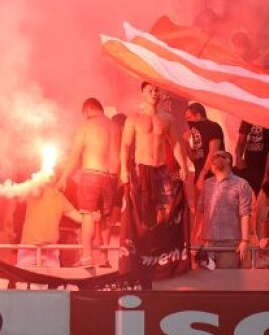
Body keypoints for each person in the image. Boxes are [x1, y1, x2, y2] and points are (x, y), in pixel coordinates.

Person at [60, 97, 120, 267]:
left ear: (89, 110)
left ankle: (86, 256)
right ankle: (104, 258)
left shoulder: (86, 127)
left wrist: (64, 176)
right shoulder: (115, 127)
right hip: (111, 178)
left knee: (87, 215)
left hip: (91, 175)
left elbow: (74, 155)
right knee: (106, 219)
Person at [120, 81, 190, 225]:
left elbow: (175, 143)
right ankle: (142, 242)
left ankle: (159, 241)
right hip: (141, 168)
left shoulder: (167, 118)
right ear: (143, 93)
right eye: (150, 91)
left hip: (161, 168)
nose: (154, 94)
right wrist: (123, 169)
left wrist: (183, 165)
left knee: (166, 207)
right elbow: (125, 145)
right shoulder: (134, 118)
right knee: (140, 208)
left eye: (156, 91)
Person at [192, 151, 253, 269]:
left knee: (227, 280)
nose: (213, 159)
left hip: (229, 242)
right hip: (207, 241)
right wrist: (195, 237)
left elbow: (245, 213)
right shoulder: (207, 183)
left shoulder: (241, 184)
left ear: (228, 160)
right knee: (205, 279)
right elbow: (200, 211)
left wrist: (245, 240)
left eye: (217, 156)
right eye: (212, 157)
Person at [183, 102, 224, 183]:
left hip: (213, 174)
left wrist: (203, 173)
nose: (187, 121)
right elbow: (194, 157)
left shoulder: (213, 127)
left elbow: (213, 151)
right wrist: (186, 142)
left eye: (189, 118)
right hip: (200, 172)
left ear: (198, 115)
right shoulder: (195, 130)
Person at [234, 121, 269, 194]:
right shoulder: (247, 119)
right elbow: (241, 142)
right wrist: (239, 159)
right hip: (248, 164)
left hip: (265, 165)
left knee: (262, 194)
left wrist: (267, 174)